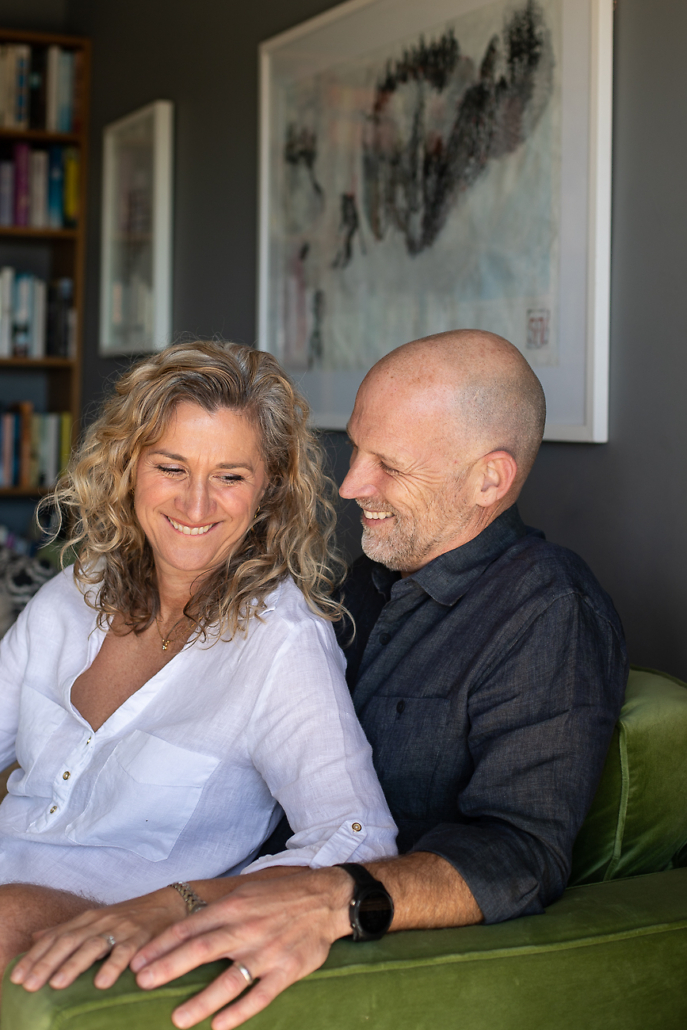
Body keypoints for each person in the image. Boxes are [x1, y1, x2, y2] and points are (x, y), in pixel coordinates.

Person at [12, 330, 627, 1030]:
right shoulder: (368, 581)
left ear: (489, 479)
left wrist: (329, 899)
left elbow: (520, 853)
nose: (351, 483)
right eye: (357, 449)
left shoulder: (548, 609)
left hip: (329, 924)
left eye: (387, 464)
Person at [0, 340, 397, 978]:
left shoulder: (280, 642)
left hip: (95, 938)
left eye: (230, 477)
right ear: (129, 466)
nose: (195, 504)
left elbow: (358, 836)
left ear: (268, 490)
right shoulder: (76, 592)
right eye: (172, 467)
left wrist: (183, 905)